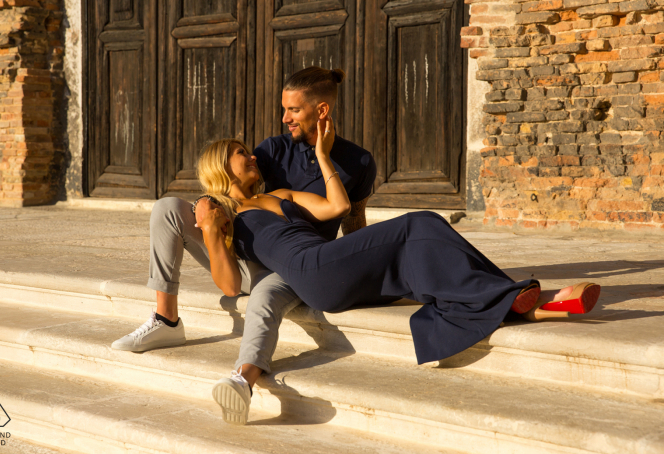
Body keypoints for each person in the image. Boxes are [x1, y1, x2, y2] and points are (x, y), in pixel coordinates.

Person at [196, 125, 602, 423]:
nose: (252, 156)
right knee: (419, 222)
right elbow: (230, 284)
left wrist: (322, 155)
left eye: (248, 151)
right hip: (313, 271)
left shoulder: (278, 196)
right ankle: (508, 293)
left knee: (414, 264)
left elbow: (337, 207)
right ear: (222, 166)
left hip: (330, 266)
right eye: (240, 153)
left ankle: (521, 306)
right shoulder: (220, 212)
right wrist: (212, 231)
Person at [111, 67, 377, 425]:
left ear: (322, 110)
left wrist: (354, 268)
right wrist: (209, 213)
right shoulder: (273, 149)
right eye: (284, 110)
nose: (284, 119)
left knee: (266, 293)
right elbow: (233, 183)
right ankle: (166, 318)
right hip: (248, 253)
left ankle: (243, 378)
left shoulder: (359, 162)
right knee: (168, 208)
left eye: (293, 111)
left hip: (296, 263)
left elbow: (352, 217)